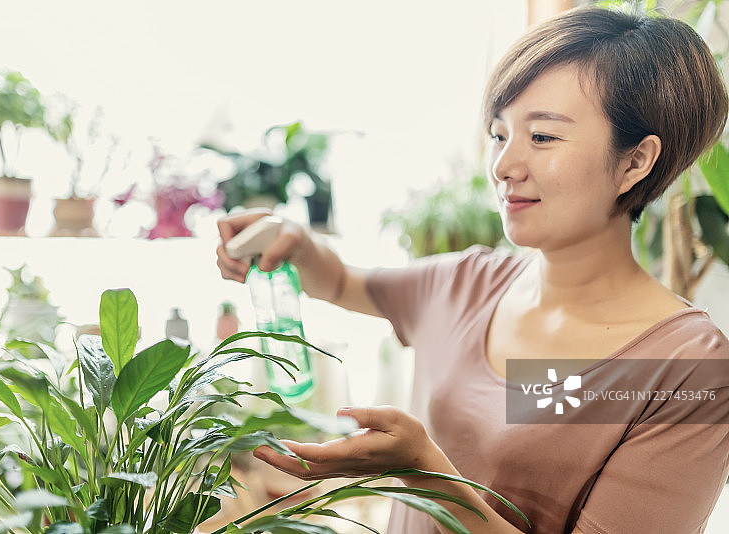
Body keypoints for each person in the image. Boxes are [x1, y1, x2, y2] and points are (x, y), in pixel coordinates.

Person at [216, 6, 729, 534]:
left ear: (635, 162)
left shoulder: (685, 368)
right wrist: (295, 242)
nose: (504, 166)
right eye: (499, 134)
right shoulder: (468, 283)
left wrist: (425, 472)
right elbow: (345, 282)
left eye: (543, 137)